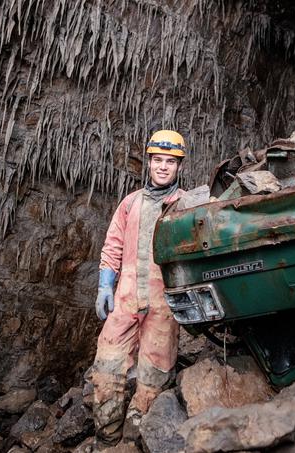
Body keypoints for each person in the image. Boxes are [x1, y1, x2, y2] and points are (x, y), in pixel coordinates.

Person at [91, 130, 186, 444]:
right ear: (148, 162)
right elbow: (112, 246)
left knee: (152, 379)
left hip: (164, 306)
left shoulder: (185, 204)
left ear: (179, 166)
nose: (162, 167)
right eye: (157, 160)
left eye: (169, 162)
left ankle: (136, 441)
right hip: (126, 300)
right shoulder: (130, 203)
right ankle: (106, 439)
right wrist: (105, 286)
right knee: (107, 367)